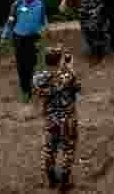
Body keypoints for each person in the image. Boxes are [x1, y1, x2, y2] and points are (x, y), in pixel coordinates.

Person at [32, 45, 80, 191]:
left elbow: (41, 87)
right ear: (60, 59)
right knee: (68, 149)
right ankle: (65, 180)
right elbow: (76, 87)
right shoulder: (68, 75)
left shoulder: (38, 78)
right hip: (67, 119)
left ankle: (51, 178)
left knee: (49, 149)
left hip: (51, 119)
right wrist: (69, 66)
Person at [5, 0, 48, 101]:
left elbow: (43, 19)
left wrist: (45, 28)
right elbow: (10, 20)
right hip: (18, 38)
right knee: (21, 65)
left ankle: (30, 83)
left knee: (31, 63)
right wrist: (5, 34)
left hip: (33, 38)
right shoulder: (17, 4)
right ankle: (26, 90)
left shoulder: (40, 4)